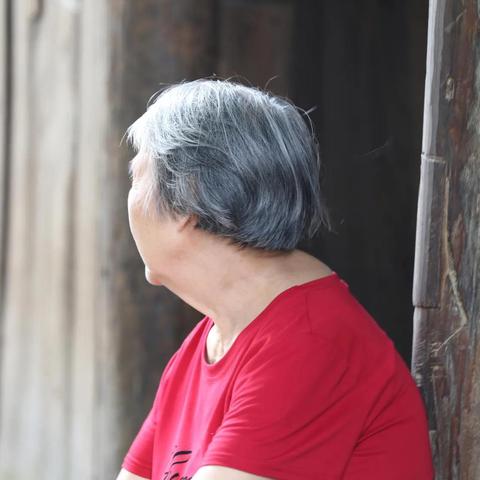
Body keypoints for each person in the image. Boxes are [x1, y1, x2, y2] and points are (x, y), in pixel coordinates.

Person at [115, 78, 434, 480]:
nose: (129, 197)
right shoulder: (208, 343)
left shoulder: (311, 340)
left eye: (136, 176)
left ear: (186, 202)